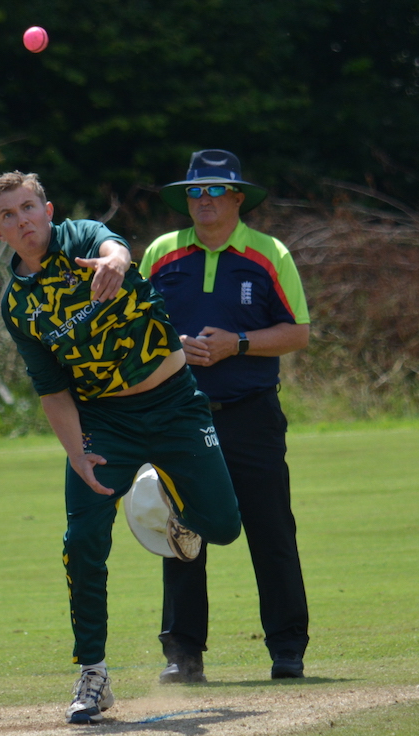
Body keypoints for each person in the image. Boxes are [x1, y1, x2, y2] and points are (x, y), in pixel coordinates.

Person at [0, 170, 242, 724]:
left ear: (47, 210)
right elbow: (51, 389)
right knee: (82, 539)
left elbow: (113, 247)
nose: (22, 220)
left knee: (222, 527)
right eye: (8, 215)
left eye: (28, 207)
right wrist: (78, 456)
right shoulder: (19, 307)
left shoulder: (80, 239)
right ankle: (93, 675)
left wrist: (115, 264)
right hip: (104, 419)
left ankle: (165, 500)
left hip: (173, 401)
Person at [139, 149, 311, 683]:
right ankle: (183, 655)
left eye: (215, 191)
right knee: (182, 532)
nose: (204, 201)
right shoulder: (162, 254)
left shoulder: (268, 254)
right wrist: (173, 348)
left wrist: (237, 343)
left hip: (251, 414)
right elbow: (134, 328)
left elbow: (297, 332)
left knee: (271, 528)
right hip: (181, 417)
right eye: (195, 191)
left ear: (238, 197)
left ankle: (287, 649)